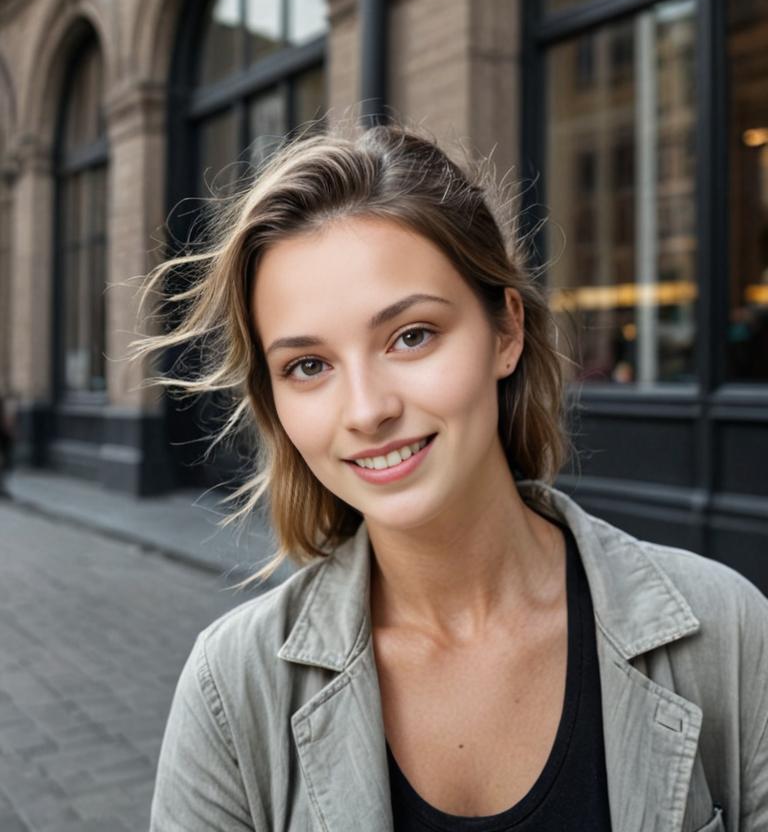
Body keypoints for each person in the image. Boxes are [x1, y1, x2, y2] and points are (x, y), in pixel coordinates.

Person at [141, 125, 767, 831]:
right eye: (308, 366)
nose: (368, 410)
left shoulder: (727, 633)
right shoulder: (232, 687)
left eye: (411, 336)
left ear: (506, 332)